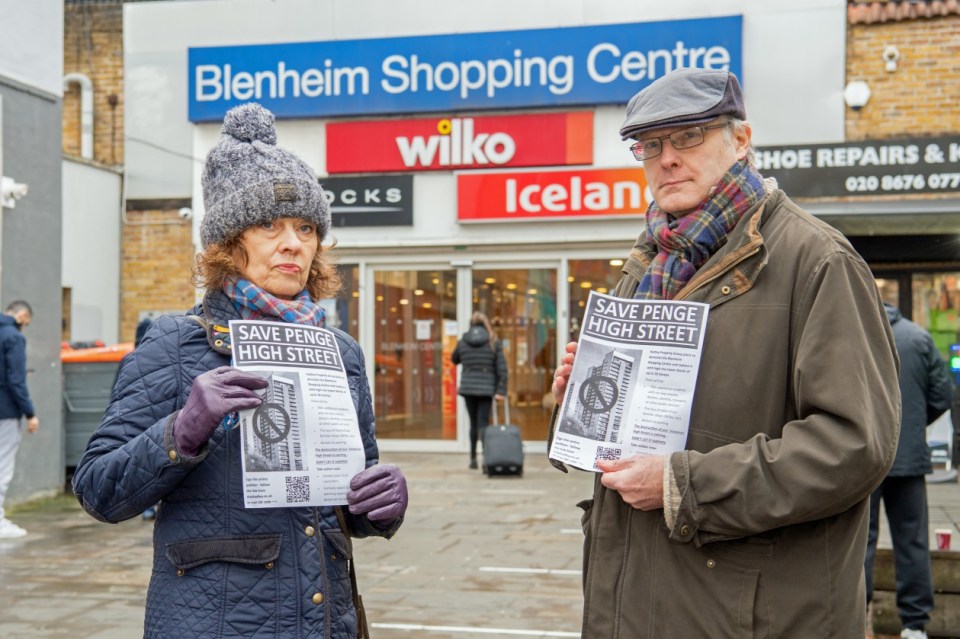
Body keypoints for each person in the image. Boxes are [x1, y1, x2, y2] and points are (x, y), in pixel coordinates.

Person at [549, 67, 901, 637]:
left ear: (741, 140)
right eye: (651, 145)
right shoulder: (646, 263)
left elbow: (854, 445)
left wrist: (684, 487)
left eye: (689, 137)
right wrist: (577, 403)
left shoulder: (817, 260)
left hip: (752, 610)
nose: (666, 159)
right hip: (639, 599)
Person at [72, 103, 407, 638]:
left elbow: (350, 503)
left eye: (305, 227)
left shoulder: (339, 351)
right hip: (215, 622)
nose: (292, 242)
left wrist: (382, 504)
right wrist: (182, 430)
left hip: (323, 622)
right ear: (230, 243)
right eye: (269, 225)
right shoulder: (175, 343)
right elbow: (97, 491)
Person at [864, 303, 953, 639]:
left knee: (860, 540)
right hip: (909, 456)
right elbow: (943, 395)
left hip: (865, 456)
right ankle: (914, 625)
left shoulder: (860, 333)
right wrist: (913, 427)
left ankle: (860, 615)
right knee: (912, 540)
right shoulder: (919, 337)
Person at [0, 301, 38, 539]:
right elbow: (15, 380)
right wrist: (30, 412)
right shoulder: (13, 337)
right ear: (22, 316)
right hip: (5, 411)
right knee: (3, 465)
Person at [452, 311, 508, 469]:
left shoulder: (463, 340)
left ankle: (472, 459)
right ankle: (485, 459)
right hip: (486, 388)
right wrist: (501, 390)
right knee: (483, 423)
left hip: (468, 388)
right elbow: (501, 367)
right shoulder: (492, 341)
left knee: (473, 424)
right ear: (485, 324)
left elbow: (454, 358)